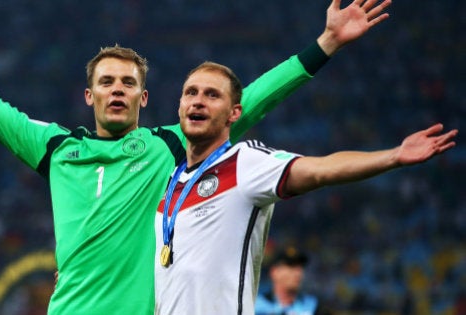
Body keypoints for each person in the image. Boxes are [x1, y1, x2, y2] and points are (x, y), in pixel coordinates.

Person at [0, 0, 391, 313]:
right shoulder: (55, 147)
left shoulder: (169, 144)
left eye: (129, 83)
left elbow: (248, 100)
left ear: (143, 98)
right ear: (88, 96)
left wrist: (324, 44)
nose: (118, 89)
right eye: (107, 82)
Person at [153, 61, 457, 314]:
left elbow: (320, 170)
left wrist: (393, 156)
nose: (198, 100)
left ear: (234, 113)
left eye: (212, 95)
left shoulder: (244, 162)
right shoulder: (164, 182)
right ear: (179, 106)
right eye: (190, 92)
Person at [255, 246, 331, 315]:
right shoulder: (256, 306)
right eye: (291, 266)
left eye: (301, 267)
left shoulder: (314, 307)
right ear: (274, 272)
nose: (298, 273)